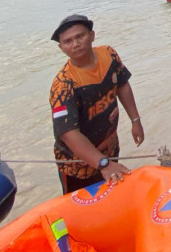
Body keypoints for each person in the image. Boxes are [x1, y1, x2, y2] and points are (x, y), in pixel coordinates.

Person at [49, 14, 144, 194]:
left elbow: (122, 84)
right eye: (68, 41)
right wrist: (103, 163)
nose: (75, 44)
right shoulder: (64, 85)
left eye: (80, 36)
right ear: (62, 48)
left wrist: (135, 120)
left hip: (109, 147)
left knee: (113, 195)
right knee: (82, 209)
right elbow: (68, 133)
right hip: (77, 164)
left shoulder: (109, 55)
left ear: (92, 35)